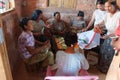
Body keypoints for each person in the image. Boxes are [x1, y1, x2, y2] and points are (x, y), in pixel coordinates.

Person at [95, 1, 120, 73]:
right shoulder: (107, 14)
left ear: (115, 6)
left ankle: (108, 71)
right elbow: (103, 22)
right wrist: (98, 25)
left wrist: (108, 36)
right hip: (108, 35)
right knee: (103, 51)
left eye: (109, 6)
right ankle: (102, 68)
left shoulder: (118, 15)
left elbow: (117, 30)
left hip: (116, 38)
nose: (107, 8)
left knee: (110, 54)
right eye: (106, 7)